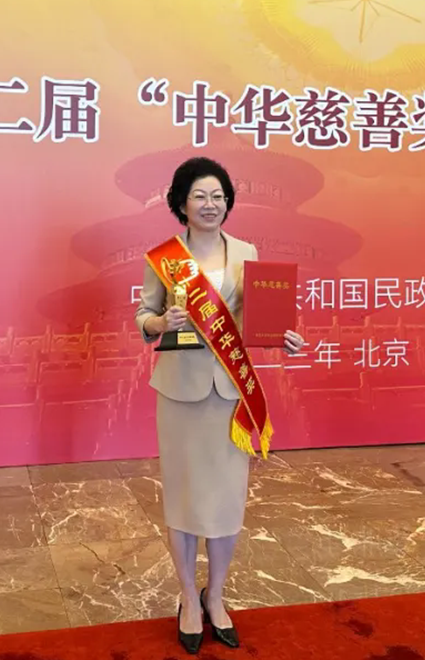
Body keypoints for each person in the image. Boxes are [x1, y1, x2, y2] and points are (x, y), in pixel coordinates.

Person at [135, 157, 304, 654]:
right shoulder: (164, 257)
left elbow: (257, 318)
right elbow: (144, 314)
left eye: (219, 196)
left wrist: (283, 336)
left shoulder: (247, 252)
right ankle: (188, 596)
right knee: (184, 497)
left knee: (228, 500)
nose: (210, 205)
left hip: (231, 392)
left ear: (228, 202)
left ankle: (217, 595)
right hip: (180, 393)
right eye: (200, 196)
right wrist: (160, 323)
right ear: (181, 203)